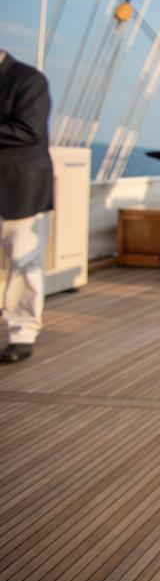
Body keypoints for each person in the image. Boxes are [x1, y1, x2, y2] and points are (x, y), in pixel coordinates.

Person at [1, 49, 53, 364]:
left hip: (19, 185)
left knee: (23, 261)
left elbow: (30, 130)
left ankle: (21, 331)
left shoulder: (28, 80)